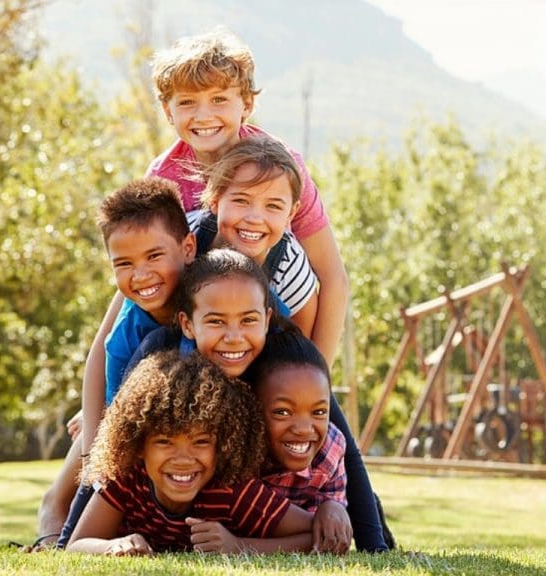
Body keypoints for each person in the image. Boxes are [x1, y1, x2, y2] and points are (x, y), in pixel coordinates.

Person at [132, 248, 391, 552]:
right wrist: (71, 531)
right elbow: (120, 436)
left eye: (248, 320)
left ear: (266, 320)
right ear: (188, 324)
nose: (234, 337)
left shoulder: (284, 373)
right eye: (217, 321)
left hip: (278, 502)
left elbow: (347, 452)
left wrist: (362, 534)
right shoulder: (168, 363)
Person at [148, 25, 348, 365]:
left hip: (276, 322)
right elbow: (143, 274)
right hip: (194, 331)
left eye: (219, 99)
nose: (204, 115)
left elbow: (332, 279)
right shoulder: (164, 178)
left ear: (247, 104)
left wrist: (316, 380)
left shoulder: (280, 170)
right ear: (168, 112)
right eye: (187, 103)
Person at [35, 176, 196, 549]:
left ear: (188, 249)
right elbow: (114, 428)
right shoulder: (124, 336)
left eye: (154, 256)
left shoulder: (213, 297)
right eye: (124, 263)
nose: (140, 275)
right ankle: (61, 526)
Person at [66, 350, 314, 554]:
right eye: (164, 442)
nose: (184, 459)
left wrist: (237, 546)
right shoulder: (126, 479)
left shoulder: (230, 491)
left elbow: (313, 534)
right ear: (139, 445)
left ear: (222, 444)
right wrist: (112, 546)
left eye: (200, 442)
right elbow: (77, 545)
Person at [189, 135, 318, 336]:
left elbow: (301, 350)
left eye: (273, 206)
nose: (255, 218)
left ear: (290, 214)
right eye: (241, 201)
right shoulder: (188, 235)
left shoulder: (289, 265)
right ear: (215, 200)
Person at [247, 328, 353, 553]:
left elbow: (326, 539)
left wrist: (332, 507)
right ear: (253, 409)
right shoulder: (239, 453)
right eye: (283, 412)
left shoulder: (330, 449)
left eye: (319, 412)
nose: (304, 429)